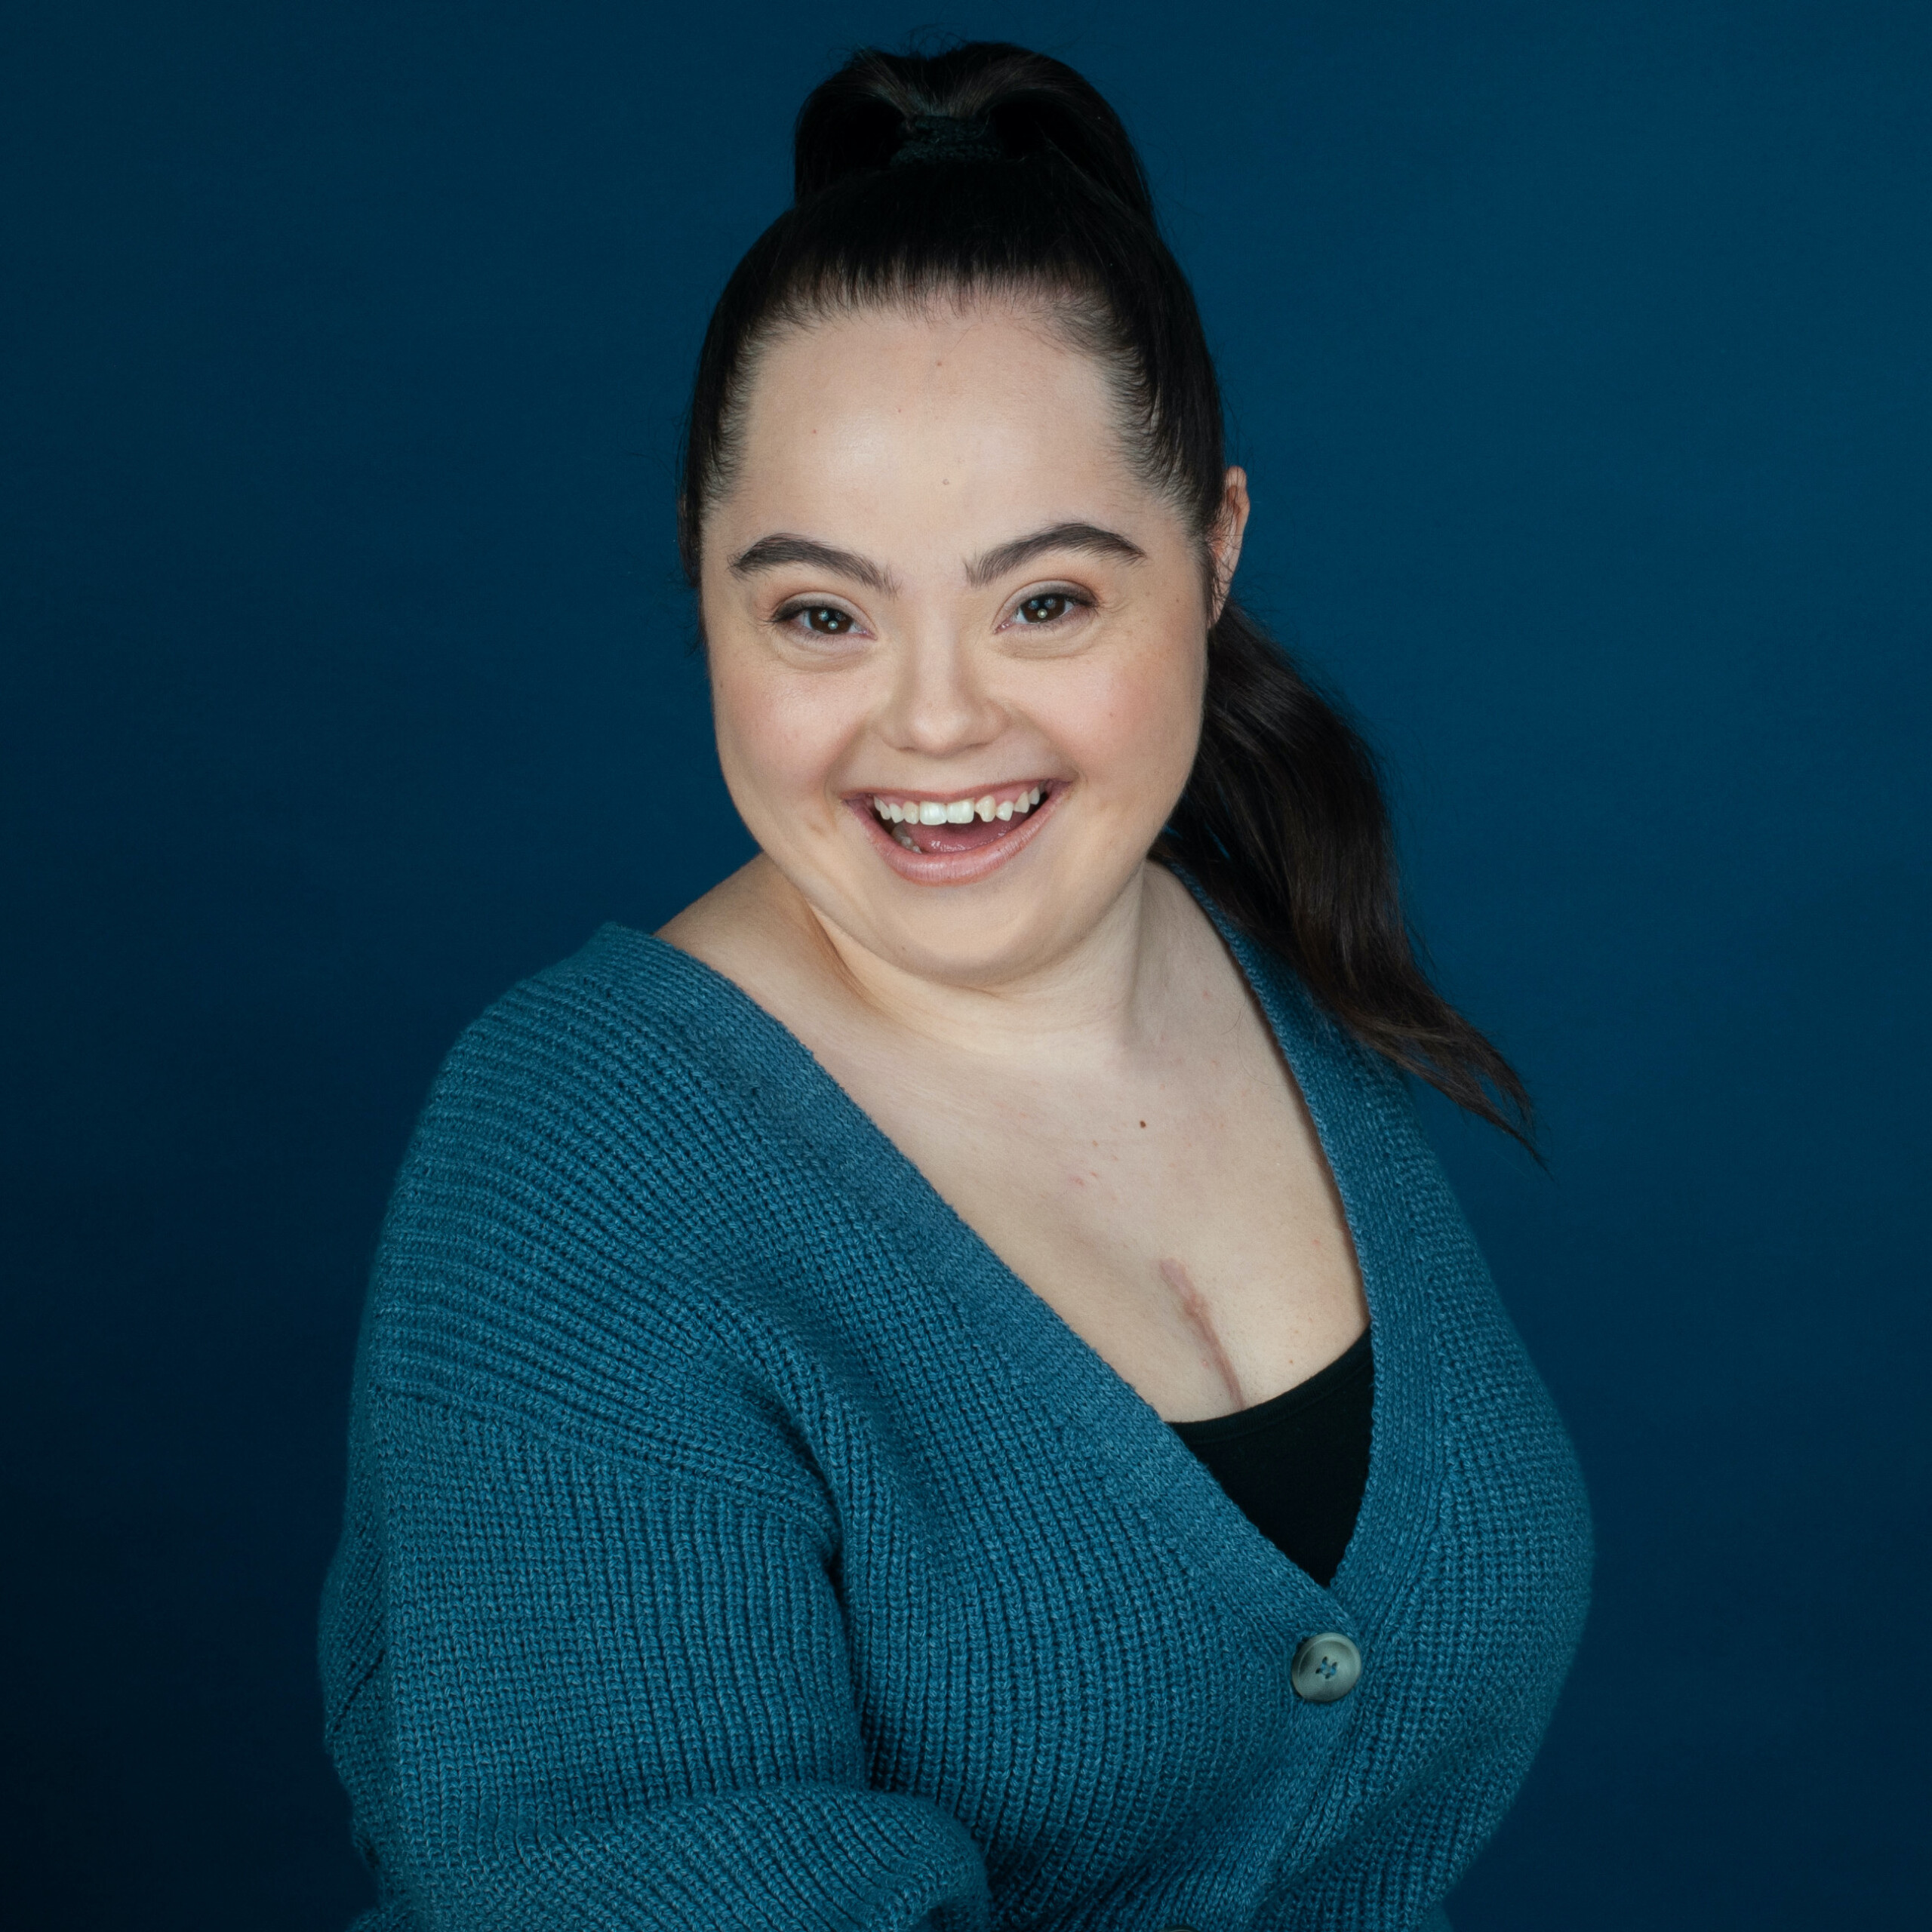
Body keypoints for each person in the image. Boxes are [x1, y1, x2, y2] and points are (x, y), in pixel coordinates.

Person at [319, 40, 1592, 1932]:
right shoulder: (573, 1168)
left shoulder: (1270, 969)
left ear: (1214, 552)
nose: (930, 719)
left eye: (1045, 600)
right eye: (820, 611)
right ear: (703, 589)